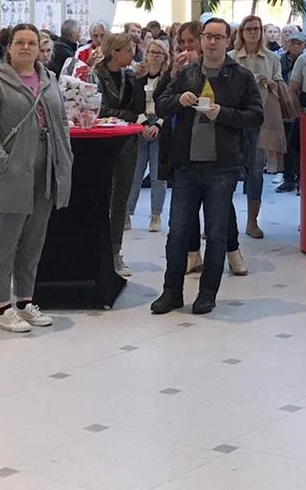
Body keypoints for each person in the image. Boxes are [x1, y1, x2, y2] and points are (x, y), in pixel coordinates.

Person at [150, 17, 263, 315]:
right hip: (186, 166)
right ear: (200, 40)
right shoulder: (187, 74)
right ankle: (171, 291)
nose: (212, 42)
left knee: (216, 233)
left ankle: (207, 293)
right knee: (178, 232)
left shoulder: (241, 77)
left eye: (218, 37)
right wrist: (177, 99)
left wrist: (222, 113)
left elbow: (255, 116)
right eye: (207, 36)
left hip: (222, 168)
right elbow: (160, 104)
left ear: (228, 41)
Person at [0, 23, 73, 334]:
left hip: (45, 173)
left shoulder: (49, 79)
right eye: (20, 42)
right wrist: (2, 162)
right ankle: (2, 307)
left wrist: (65, 155)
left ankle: (25, 301)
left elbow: (61, 120)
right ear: (10, 47)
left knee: (33, 243)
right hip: (10, 175)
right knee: (5, 243)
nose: (26, 48)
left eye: (32, 42)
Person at [94, 33, 149, 277]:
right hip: (102, 142)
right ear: (114, 52)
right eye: (128, 49)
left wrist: (140, 82)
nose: (132, 53)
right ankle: (97, 251)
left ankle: (115, 252)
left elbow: (137, 108)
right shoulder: (95, 75)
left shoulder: (129, 76)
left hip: (127, 142)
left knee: (120, 200)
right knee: (101, 197)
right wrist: (129, 117)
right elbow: (98, 108)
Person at [231, 14, 284, 239]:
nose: (253, 32)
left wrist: (270, 83)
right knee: (228, 171)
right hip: (233, 121)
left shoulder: (272, 58)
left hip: (260, 120)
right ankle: (222, 220)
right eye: (249, 29)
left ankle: (252, 221)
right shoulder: (232, 57)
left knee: (255, 171)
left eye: (257, 29)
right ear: (241, 32)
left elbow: (280, 85)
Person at [127, 39, 170, 231]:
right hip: (141, 125)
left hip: (160, 125)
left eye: (158, 53)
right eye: (151, 52)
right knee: (135, 173)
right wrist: (143, 124)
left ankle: (156, 215)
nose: (154, 56)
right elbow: (135, 105)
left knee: (157, 175)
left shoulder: (169, 79)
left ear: (165, 57)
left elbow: (170, 106)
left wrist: (159, 125)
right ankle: (127, 214)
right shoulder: (138, 78)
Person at [277, 25, 306, 192]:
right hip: (283, 107)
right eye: (293, 42)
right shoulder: (279, 60)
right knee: (287, 145)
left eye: (299, 43)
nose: (296, 46)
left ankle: (300, 178)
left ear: (305, 45)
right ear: (287, 44)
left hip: (302, 108)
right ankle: (288, 177)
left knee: (299, 145)